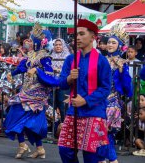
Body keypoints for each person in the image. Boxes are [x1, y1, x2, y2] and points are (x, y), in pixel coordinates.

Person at [53, 19, 111, 163]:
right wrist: (69, 79)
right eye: (76, 34)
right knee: (65, 149)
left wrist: (86, 100)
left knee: (91, 155)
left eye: (81, 34)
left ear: (92, 37)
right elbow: (61, 83)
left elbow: (105, 88)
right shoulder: (70, 59)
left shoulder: (102, 61)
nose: (77, 37)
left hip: (94, 112)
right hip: (74, 112)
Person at [4, 23, 54, 159]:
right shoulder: (31, 54)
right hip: (26, 92)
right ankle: (35, 147)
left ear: (40, 41)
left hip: (37, 95)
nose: (29, 42)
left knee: (29, 122)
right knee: (16, 116)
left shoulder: (45, 57)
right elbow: (22, 67)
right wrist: (12, 73)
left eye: (32, 39)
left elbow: (49, 75)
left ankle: (26, 145)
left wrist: (37, 71)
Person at [105, 26, 133, 163]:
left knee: (105, 132)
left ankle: (112, 159)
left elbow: (128, 88)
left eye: (113, 42)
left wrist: (122, 71)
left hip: (112, 103)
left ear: (120, 46)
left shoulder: (122, 63)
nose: (110, 45)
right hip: (98, 101)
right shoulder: (101, 59)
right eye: (109, 42)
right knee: (101, 133)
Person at [51, 38, 71, 122]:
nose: (58, 46)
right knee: (52, 106)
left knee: (63, 106)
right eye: (56, 45)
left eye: (60, 44)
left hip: (64, 86)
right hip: (51, 85)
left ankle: (64, 125)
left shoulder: (68, 57)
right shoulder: (50, 56)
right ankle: (54, 127)